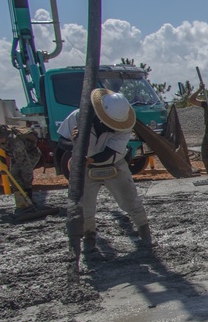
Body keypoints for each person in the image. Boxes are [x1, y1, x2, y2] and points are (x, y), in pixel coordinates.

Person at [57, 89, 152, 252]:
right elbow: (60, 142)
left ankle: (144, 232)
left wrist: (90, 159)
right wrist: (75, 143)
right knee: (85, 206)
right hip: (85, 169)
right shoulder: (78, 116)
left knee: (131, 201)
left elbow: (110, 152)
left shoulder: (124, 126)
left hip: (114, 165)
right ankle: (89, 236)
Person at [0, 123, 42, 212]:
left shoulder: (16, 143)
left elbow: (25, 166)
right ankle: (20, 200)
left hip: (30, 155)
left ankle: (29, 199)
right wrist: (3, 165)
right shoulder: (0, 141)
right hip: (14, 156)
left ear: (2, 137)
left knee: (21, 175)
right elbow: (1, 152)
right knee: (13, 177)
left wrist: (27, 185)